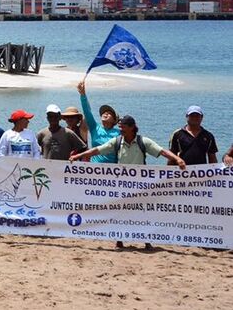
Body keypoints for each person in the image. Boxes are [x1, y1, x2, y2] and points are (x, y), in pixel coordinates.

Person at [71, 115, 186, 250]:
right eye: (120, 127)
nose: (121, 130)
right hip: (122, 185)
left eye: (123, 127)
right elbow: (98, 150)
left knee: (142, 212)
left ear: (132, 128)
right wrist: (79, 156)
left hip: (141, 185)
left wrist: (178, 160)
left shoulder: (144, 141)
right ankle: (119, 240)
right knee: (121, 211)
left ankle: (146, 240)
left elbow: (162, 152)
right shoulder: (117, 141)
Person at [77, 80, 119, 163]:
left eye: (109, 113)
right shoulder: (95, 128)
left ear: (114, 121)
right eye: (104, 113)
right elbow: (87, 112)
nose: (105, 114)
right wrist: (83, 95)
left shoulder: (119, 133)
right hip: (94, 170)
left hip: (112, 170)